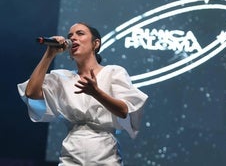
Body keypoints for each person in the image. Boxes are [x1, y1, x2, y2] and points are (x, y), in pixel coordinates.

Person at [17, 22, 148, 166]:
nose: (73, 38)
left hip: (105, 153)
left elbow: (124, 111)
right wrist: (50, 54)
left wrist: (96, 93)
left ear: (95, 44)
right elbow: (31, 92)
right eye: (70, 36)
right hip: (71, 153)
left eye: (80, 34)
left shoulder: (113, 72)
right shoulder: (62, 77)